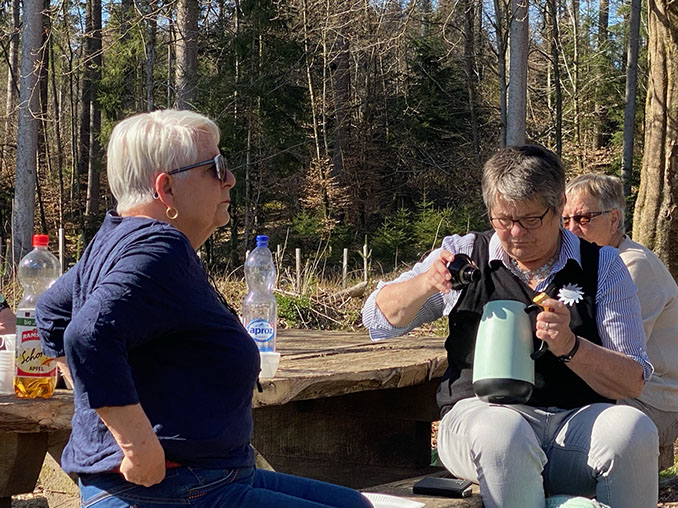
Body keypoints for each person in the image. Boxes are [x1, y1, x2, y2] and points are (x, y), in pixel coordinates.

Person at [35, 110, 372, 508]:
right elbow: (87, 334)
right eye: (215, 167)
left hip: (202, 477)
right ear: (166, 188)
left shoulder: (118, 237)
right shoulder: (158, 250)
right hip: (169, 489)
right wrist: (135, 442)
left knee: (355, 504)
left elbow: (51, 311)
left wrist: (99, 405)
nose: (229, 179)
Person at [363, 145, 658, 508]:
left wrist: (571, 346)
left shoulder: (603, 267)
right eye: (503, 219)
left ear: (559, 206)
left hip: (574, 424)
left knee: (633, 432)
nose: (516, 232)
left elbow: (631, 380)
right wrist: (424, 283)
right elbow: (378, 319)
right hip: (481, 419)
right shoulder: (465, 254)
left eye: (531, 219)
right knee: (505, 432)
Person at [565, 173, 678, 449]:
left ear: (614, 219)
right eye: (564, 220)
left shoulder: (632, 266)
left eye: (583, 218)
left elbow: (612, 352)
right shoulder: (586, 263)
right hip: (619, 389)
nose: (571, 230)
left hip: (654, 400)